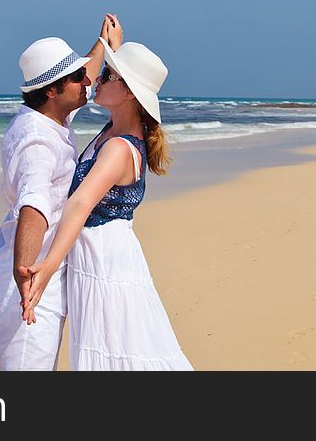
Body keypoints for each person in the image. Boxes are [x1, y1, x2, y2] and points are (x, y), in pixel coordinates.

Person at [20, 36, 194, 371]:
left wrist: (48, 267)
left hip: (105, 262)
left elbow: (80, 203)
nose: (94, 79)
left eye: (106, 76)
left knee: (117, 351)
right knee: (111, 351)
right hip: (100, 256)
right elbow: (69, 96)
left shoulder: (118, 149)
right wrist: (107, 44)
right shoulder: (113, 131)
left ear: (128, 92)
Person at [0, 15, 123, 371]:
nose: (87, 82)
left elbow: (85, 77)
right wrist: (28, 277)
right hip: (31, 280)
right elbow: (34, 206)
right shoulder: (37, 140)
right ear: (51, 91)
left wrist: (104, 45)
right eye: (76, 77)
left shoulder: (50, 117)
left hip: (44, 268)